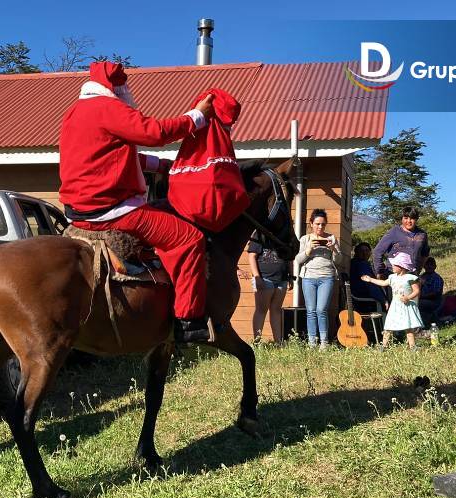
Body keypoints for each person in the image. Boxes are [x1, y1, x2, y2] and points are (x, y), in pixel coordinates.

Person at [58, 61, 214, 343]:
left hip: (80, 211)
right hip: (112, 211)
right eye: (125, 85)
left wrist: (163, 166)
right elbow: (153, 133)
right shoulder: (109, 107)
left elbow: (113, 156)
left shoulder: (75, 113)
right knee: (190, 239)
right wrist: (197, 117)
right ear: (116, 87)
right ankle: (188, 321)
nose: (129, 91)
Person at [296, 209, 341, 349]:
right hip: (308, 277)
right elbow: (298, 260)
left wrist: (333, 248)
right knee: (311, 310)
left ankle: (324, 342)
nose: (320, 227)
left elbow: (339, 261)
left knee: (321, 309)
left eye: (323, 224)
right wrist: (309, 249)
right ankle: (312, 342)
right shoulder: (305, 239)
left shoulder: (332, 238)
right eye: (317, 224)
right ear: (311, 223)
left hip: (326, 277)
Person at [360, 252, 424, 349]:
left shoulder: (410, 278)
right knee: (389, 325)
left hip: (405, 306)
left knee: (408, 326)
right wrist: (370, 280)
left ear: (402, 266)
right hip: (395, 306)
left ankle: (412, 346)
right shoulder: (392, 277)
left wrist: (408, 297)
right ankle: (383, 346)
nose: (392, 266)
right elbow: (383, 283)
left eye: (394, 265)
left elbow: (417, 291)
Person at [246, 231, 292, 343]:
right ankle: (257, 342)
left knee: (276, 310)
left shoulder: (285, 235)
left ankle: (279, 343)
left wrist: (290, 275)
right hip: (264, 278)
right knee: (261, 310)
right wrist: (257, 277)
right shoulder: (260, 234)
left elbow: (289, 258)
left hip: (282, 279)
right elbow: (252, 256)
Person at [373, 206, 430, 278]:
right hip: (394, 275)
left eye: (412, 218)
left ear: (416, 219)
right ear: (402, 219)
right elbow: (377, 251)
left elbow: (425, 254)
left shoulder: (422, 235)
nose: (409, 221)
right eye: (406, 218)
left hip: (412, 276)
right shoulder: (394, 232)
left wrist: (418, 270)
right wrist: (380, 271)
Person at [349, 242, 386, 312]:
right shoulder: (361, 264)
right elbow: (369, 285)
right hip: (364, 299)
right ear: (356, 253)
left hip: (359, 298)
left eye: (367, 250)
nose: (364, 253)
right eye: (361, 251)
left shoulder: (356, 263)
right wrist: (383, 300)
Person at [417, 257, 444, 324]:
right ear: (424, 266)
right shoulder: (421, 276)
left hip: (434, 301)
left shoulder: (436, 278)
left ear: (435, 266)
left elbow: (435, 293)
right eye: (427, 264)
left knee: (419, 304)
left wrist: (421, 297)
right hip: (421, 298)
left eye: (431, 265)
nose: (429, 266)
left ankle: (422, 323)